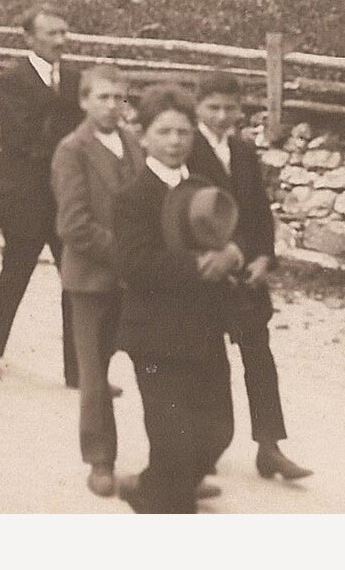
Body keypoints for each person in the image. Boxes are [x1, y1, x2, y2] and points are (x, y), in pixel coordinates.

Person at [110, 85, 238, 514]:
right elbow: (134, 265)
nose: (174, 142)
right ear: (143, 136)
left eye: (183, 132)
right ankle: (163, 499)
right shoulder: (133, 196)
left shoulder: (203, 186)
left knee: (218, 431)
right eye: (164, 132)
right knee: (174, 440)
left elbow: (232, 229)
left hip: (202, 331)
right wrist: (200, 265)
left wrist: (234, 253)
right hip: (155, 337)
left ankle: (150, 486)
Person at [189, 71, 312, 482]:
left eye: (230, 108)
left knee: (259, 357)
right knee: (208, 363)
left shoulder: (242, 151)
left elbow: (258, 210)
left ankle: (269, 446)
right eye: (213, 108)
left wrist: (264, 258)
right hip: (208, 272)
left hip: (248, 274)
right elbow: (182, 214)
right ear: (197, 106)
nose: (222, 116)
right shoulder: (185, 149)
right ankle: (205, 447)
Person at [0, 5, 82, 385]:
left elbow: (83, 125)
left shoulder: (73, 77)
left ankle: (79, 370)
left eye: (64, 33)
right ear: (29, 38)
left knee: (75, 281)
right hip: (26, 196)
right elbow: (24, 139)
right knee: (15, 276)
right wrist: (72, 147)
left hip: (65, 198)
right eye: (51, 33)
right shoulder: (11, 79)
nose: (60, 41)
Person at [53, 65, 141, 497]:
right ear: (84, 101)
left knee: (157, 367)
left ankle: (172, 461)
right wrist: (128, 253)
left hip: (136, 281)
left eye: (120, 98)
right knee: (94, 375)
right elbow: (74, 225)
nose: (112, 106)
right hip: (92, 280)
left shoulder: (133, 143)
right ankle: (100, 460)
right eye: (103, 97)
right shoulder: (72, 150)